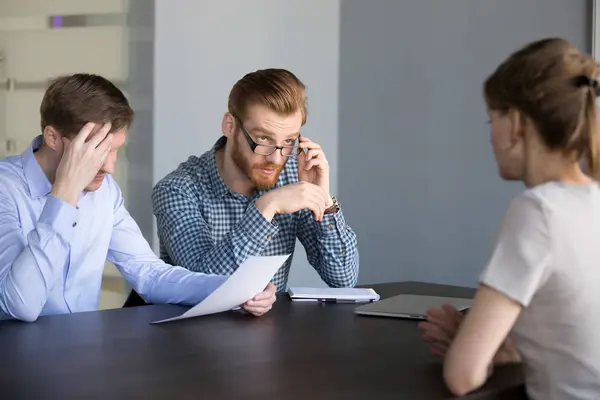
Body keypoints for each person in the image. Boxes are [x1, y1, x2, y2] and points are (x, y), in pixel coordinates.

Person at [0, 73, 276, 322]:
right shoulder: (5, 189)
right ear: (52, 137)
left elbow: (149, 273)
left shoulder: (104, 190)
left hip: (80, 356)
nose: (109, 167)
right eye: (96, 150)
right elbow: (22, 305)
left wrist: (237, 290)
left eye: (115, 150)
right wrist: (65, 194)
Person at [419, 38, 600, 399]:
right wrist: (496, 347)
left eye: (492, 118)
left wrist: (466, 349)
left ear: (516, 123)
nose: (490, 137)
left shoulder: (539, 211)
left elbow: (463, 375)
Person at [151, 68, 359, 290]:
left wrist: (324, 201)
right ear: (230, 126)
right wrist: (266, 208)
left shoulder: (293, 176)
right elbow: (203, 285)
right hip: (194, 324)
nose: (277, 158)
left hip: (271, 324)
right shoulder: (178, 190)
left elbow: (343, 278)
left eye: (289, 141)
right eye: (263, 138)